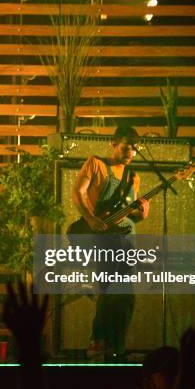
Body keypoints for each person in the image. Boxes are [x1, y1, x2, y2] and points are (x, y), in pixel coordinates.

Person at [70, 124, 150, 360]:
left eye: (135, 149)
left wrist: (142, 212)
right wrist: (90, 219)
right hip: (103, 238)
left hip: (126, 238)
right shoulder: (95, 164)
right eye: (126, 147)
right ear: (114, 143)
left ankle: (117, 344)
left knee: (126, 293)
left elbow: (134, 214)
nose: (130, 153)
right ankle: (98, 340)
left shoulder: (133, 177)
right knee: (110, 288)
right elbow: (78, 192)